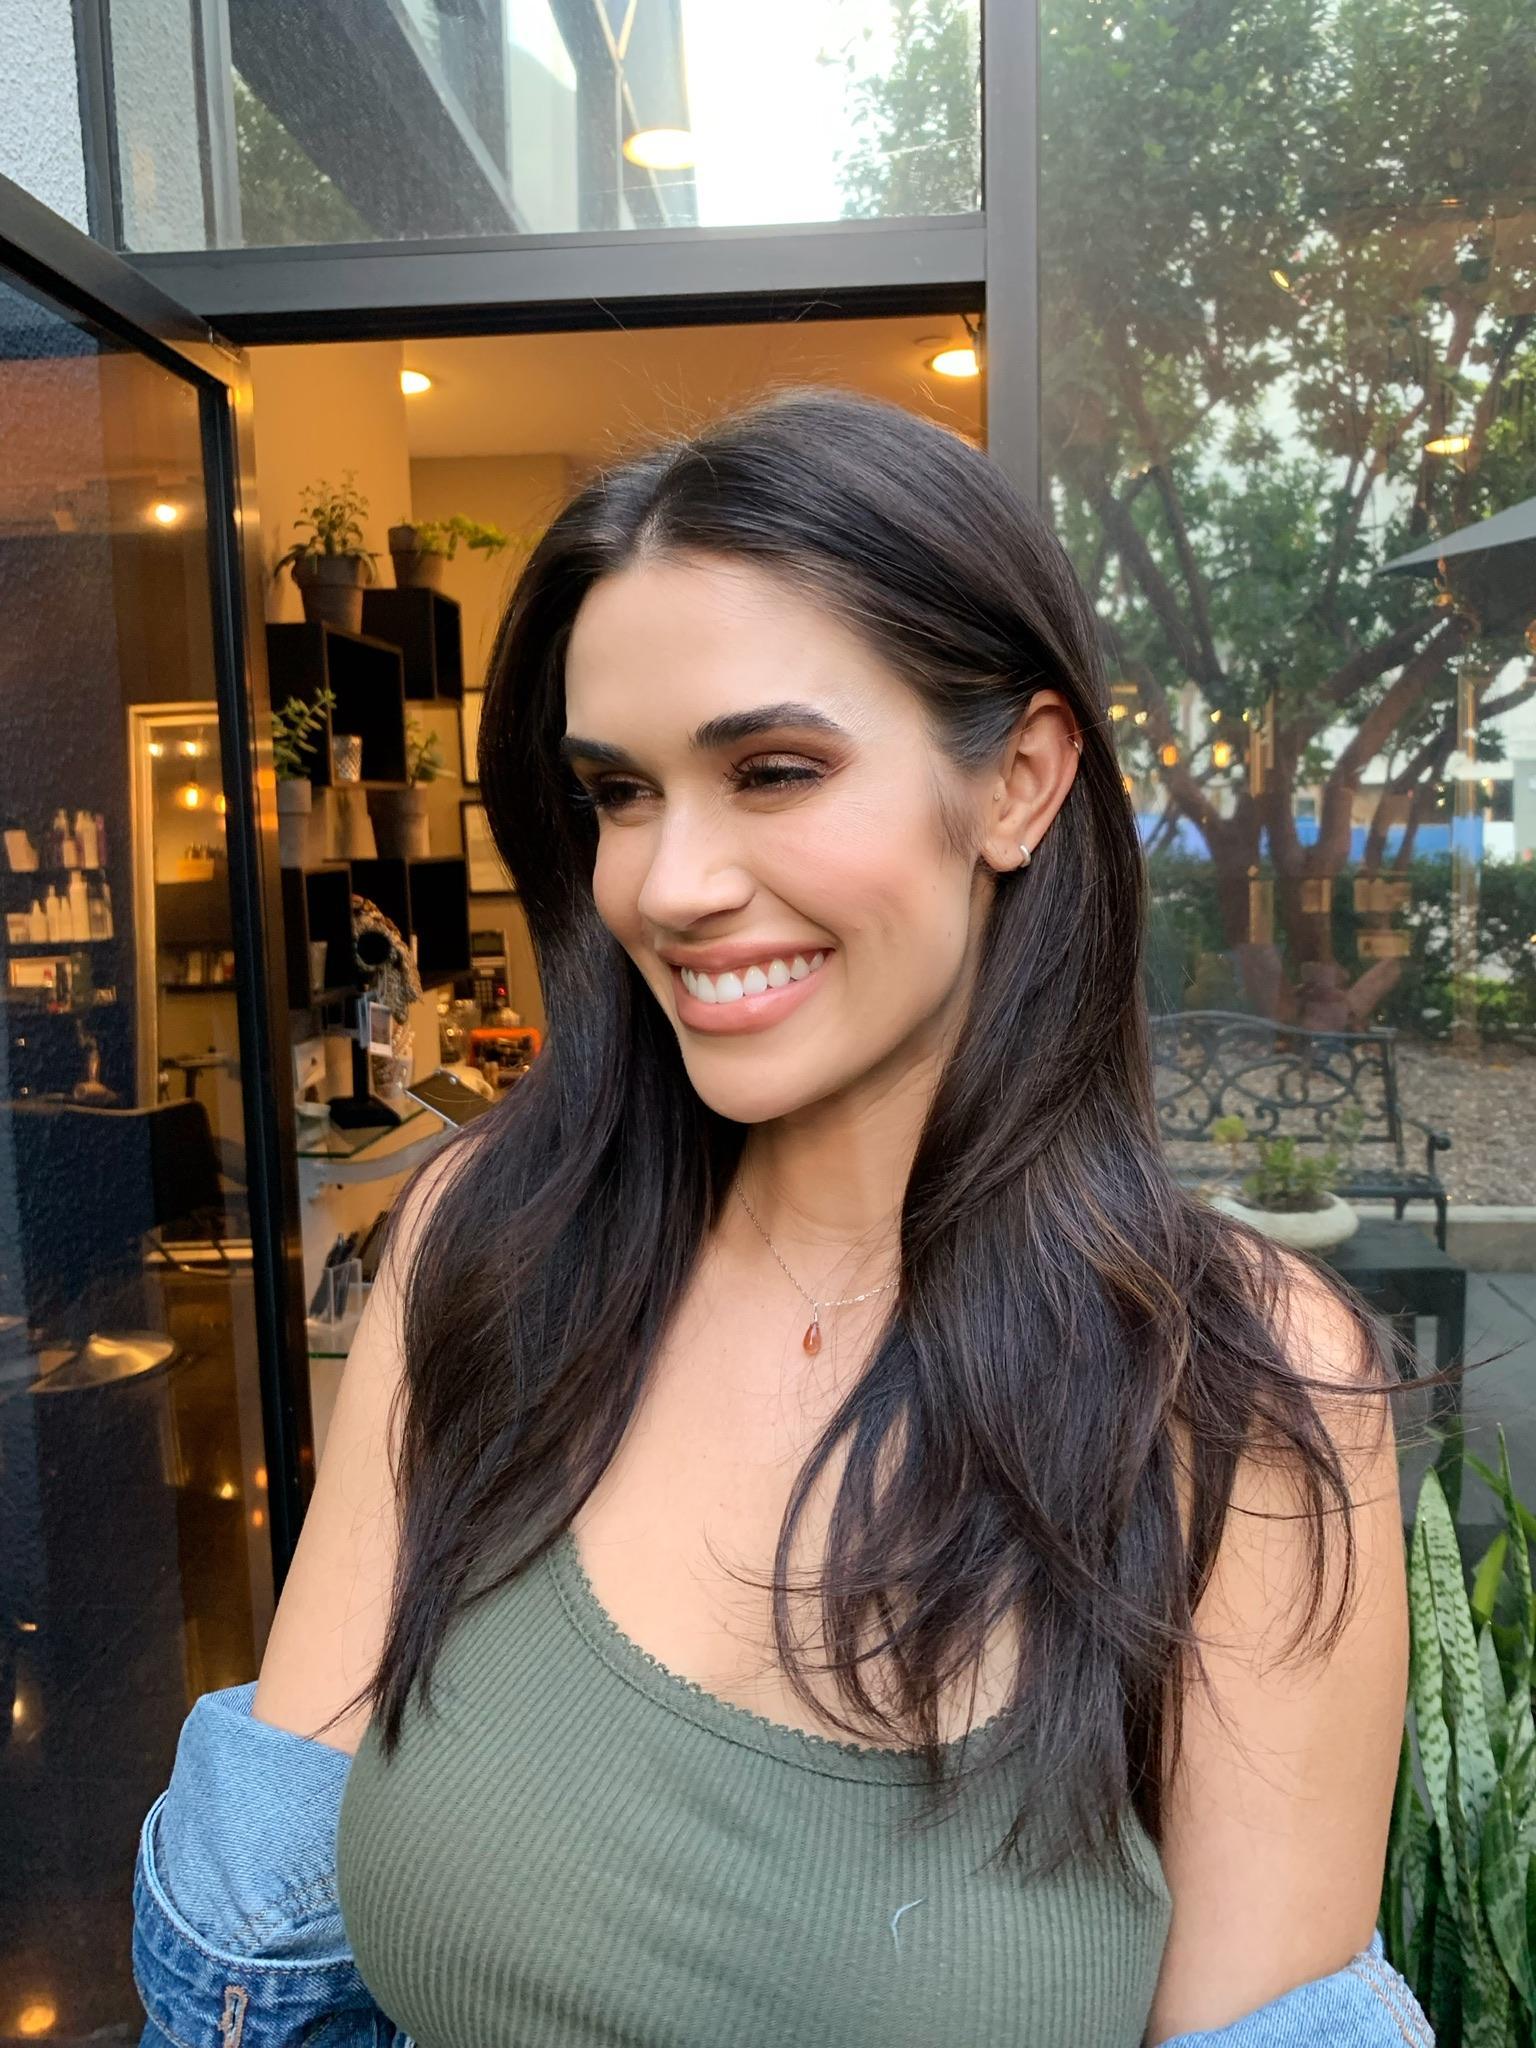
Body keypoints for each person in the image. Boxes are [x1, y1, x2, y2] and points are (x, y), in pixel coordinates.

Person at [133, 388, 1450, 2047]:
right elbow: (267, 1953)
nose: (669, 885)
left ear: (1020, 782)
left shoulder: (1231, 1391)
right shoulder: (495, 1240)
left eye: (773, 770)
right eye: (620, 795)